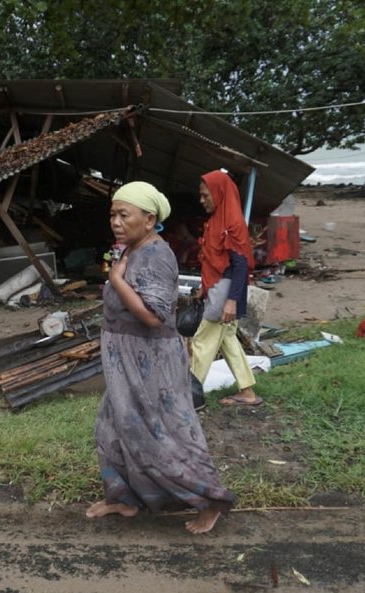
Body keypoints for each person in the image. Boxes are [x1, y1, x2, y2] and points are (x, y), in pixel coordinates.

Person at [86, 180, 236, 535]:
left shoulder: (156, 255)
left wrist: (116, 281)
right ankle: (123, 498)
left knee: (163, 433)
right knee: (111, 429)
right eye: (113, 214)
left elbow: (154, 316)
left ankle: (210, 500)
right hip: (126, 360)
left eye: (124, 215)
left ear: (150, 219)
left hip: (149, 362)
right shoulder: (132, 249)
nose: (116, 222)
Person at [191, 170, 262, 407]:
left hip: (225, 292)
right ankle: (247, 392)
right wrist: (204, 288)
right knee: (228, 340)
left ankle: (189, 395)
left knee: (202, 340)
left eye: (205, 195)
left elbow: (241, 266)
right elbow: (213, 261)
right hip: (217, 288)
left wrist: (231, 300)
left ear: (219, 193)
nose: (201, 201)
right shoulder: (216, 221)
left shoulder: (232, 223)